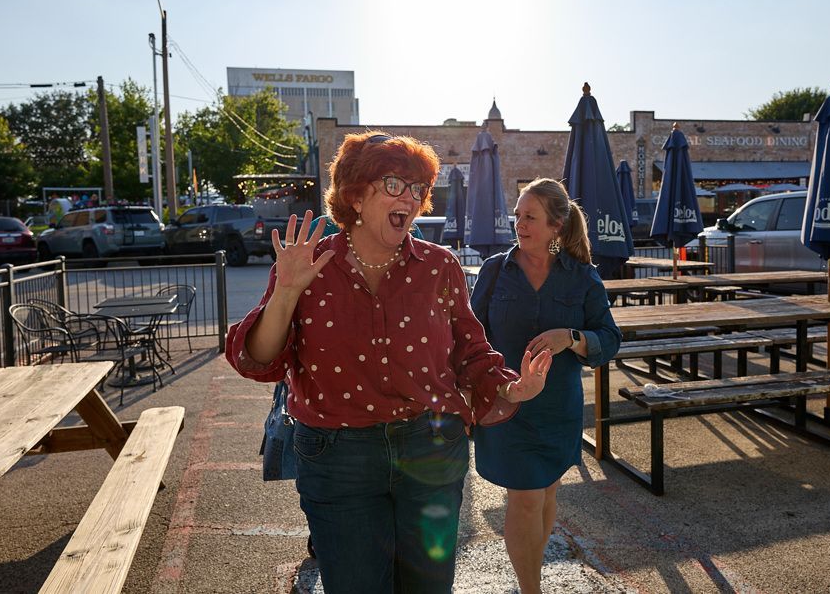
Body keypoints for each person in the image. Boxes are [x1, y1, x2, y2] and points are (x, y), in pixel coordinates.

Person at [225, 131, 553, 593]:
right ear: (357, 195)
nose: (413, 198)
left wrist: (508, 386)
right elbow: (258, 359)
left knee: (429, 586)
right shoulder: (309, 263)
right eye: (396, 184)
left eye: (419, 189)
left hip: (431, 447)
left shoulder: (439, 266)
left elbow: (470, 350)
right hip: (338, 455)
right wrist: (286, 292)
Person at [470, 177, 621, 594]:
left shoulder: (582, 277)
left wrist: (571, 337)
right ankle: (531, 589)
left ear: (556, 226)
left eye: (530, 216)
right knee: (526, 498)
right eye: (517, 215)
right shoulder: (495, 271)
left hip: (558, 410)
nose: (519, 223)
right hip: (508, 406)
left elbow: (609, 339)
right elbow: (469, 336)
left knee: (547, 494)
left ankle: (530, 576)